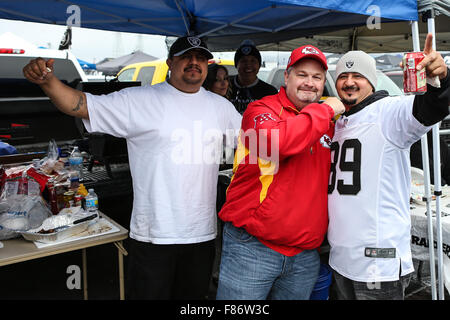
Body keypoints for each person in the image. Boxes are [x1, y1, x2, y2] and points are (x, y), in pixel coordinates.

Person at [22, 36, 242, 300]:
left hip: (202, 234)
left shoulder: (221, 108)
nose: (194, 62)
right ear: (171, 62)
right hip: (153, 235)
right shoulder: (139, 100)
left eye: (200, 57)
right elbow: (79, 104)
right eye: (185, 56)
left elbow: (259, 147)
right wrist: (48, 82)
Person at [216, 45, 345, 300]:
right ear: (286, 77)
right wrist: (326, 109)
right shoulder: (260, 111)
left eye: (317, 77)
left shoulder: (330, 123)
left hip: (305, 254)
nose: (309, 83)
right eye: (302, 74)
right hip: (252, 248)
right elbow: (279, 143)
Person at [327, 33, 450, 300]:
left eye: (358, 76)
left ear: (371, 81)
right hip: (341, 259)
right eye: (342, 77)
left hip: (378, 265)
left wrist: (439, 80)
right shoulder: (339, 122)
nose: (349, 82)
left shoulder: (389, 112)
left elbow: (430, 107)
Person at [229, 40, 278, 114]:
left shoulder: (270, 92)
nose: (248, 65)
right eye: (243, 61)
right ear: (236, 65)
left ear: (259, 65)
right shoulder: (224, 87)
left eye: (253, 61)